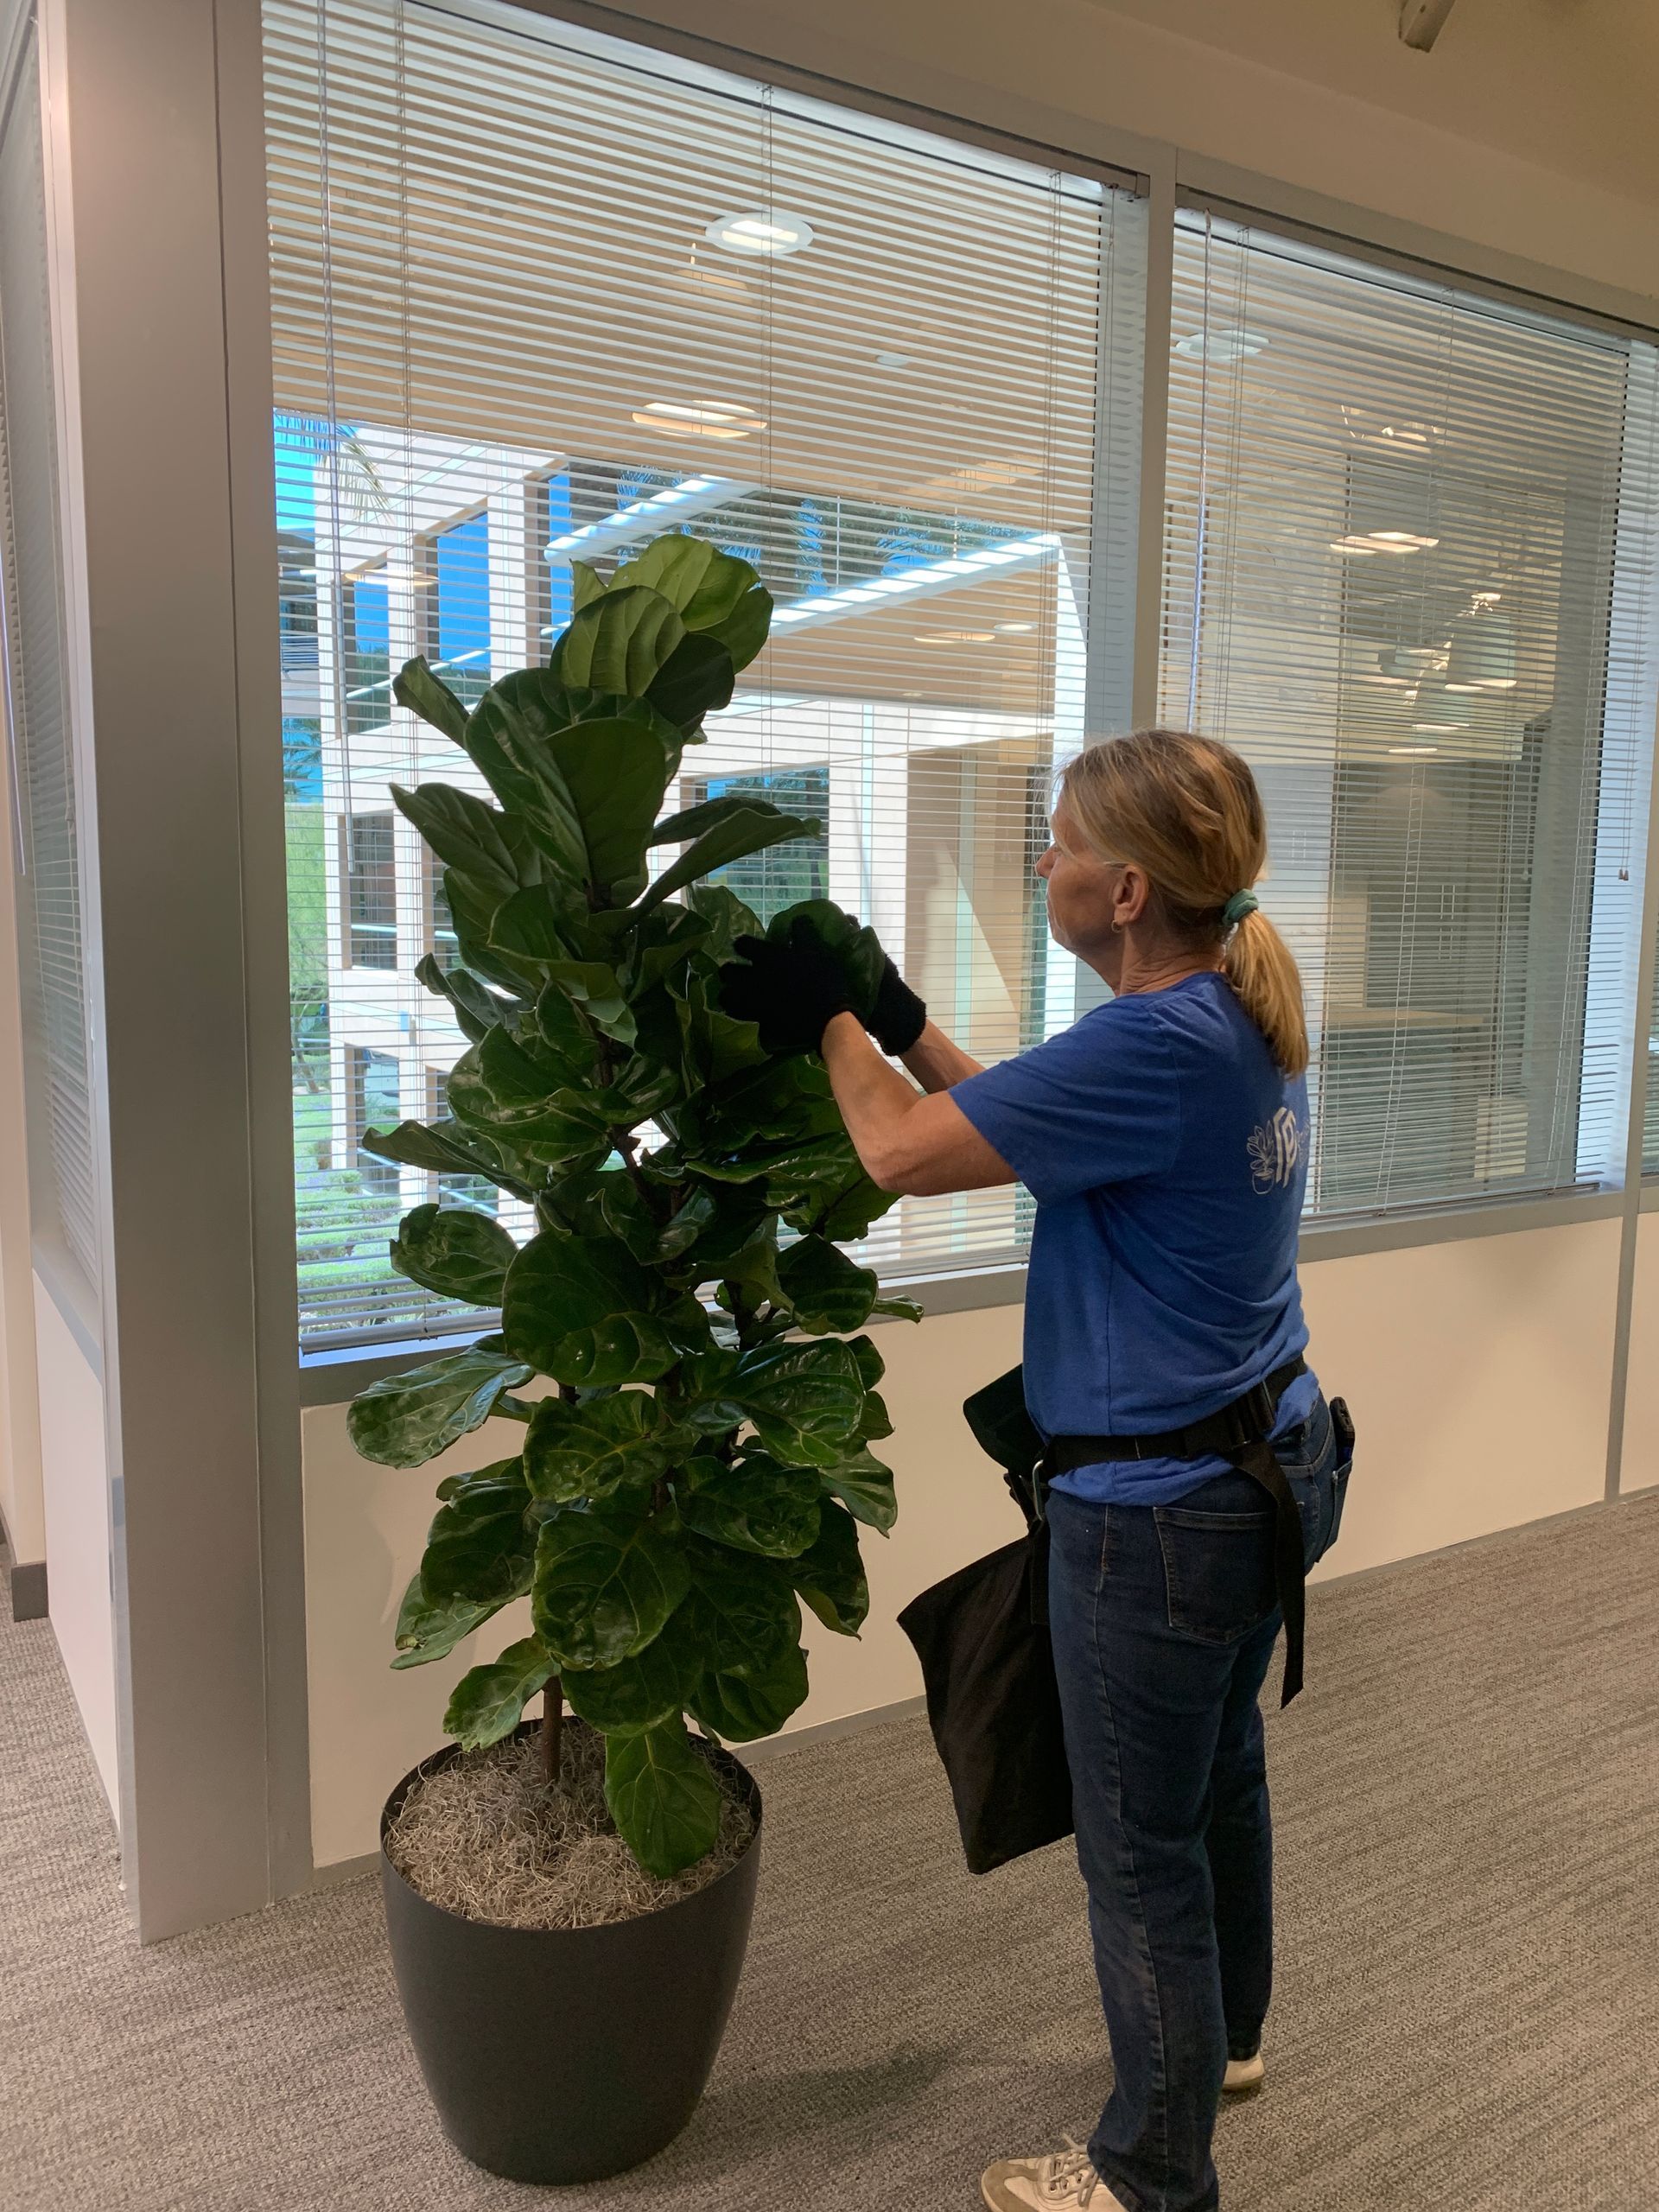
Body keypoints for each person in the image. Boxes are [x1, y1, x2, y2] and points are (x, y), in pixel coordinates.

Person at [721, 728, 1352, 2212]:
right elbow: (1021, 1116)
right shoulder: (1228, 1017)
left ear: (1126, 890)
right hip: (1270, 1462)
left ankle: (1149, 2172)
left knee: (1140, 1852)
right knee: (1220, 1783)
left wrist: (831, 1028)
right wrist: (901, 1015)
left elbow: (893, 1155)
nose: (1041, 861)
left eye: (1061, 843)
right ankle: (1230, 2048)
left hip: (1164, 1520)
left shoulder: (1157, 1044)